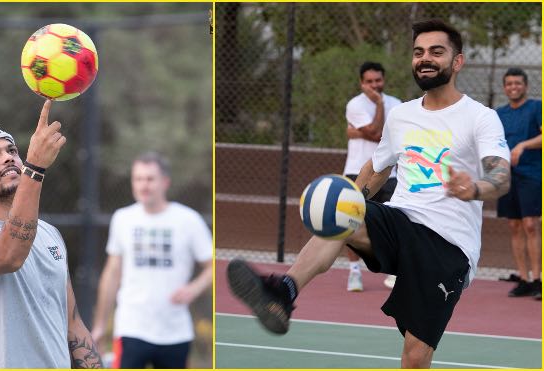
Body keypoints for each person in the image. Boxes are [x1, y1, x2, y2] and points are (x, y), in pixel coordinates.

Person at [227, 19, 511, 368]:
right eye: (419, 52)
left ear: (457, 61)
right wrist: (350, 198)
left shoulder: (480, 117)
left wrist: (475, 188)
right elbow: (377, 169)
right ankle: (284, 291)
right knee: (339, 210)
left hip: (447, 246)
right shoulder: (402, 115)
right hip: (401, 220)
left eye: (437, 52)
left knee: (415, 356)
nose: (425, 59)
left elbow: (501, 176)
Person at [0, 100, 102, 368]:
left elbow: (73, 326)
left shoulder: (49, 234)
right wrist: (35, 167)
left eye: (12, 151)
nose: (7, 157)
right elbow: (9, 255)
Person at [91, 152, 213, 369]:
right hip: (131, 328)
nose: (143, 185)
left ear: (165, 182)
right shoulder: (123, 218)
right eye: (138, 179)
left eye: (150, 179)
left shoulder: (188, 220)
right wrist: (99, 325)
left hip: (175, 332)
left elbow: (212, 266)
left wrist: (194, 289)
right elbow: (112, 273)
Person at [343, 61, 401, 291]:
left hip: (390, 173)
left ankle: (394, 272)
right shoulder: (354, 105)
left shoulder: (397, 105)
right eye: (369, 82)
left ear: (383, 80)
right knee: (349, 222)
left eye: (378, 80)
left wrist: (356, 132)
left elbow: (386, 138)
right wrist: (378, 105)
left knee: (395, 223)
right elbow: (377, 133)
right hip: (357, 170)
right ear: (361, 83)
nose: (374, 85)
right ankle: (354, 272)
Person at [495, 68, 542, 299]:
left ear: (525, 86)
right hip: (507, 177)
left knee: (531, 224)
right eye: (509, 83)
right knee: (514, 226)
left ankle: (538, 279)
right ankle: (524, 278)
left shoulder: (536, 107)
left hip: (532, 174)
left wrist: (522, 146)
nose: (513, 87)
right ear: (505, 87)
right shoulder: (499, 114)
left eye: (518, 83)